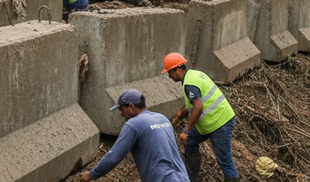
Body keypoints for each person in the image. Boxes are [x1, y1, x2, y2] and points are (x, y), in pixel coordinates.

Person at [79, 89, 189, 182]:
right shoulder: (162, 118)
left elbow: (114, 156)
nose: (121, 115)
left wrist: (92, 174)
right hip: (183, 177)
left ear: (131, 106)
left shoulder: (133, 124)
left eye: (121, 110)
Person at [163, 53, 239, 182]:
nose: (169, 76)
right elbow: (196, 102)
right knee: (191, 141)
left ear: (177, 69)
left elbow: (198, 107)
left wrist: (186, 130)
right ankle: (190, 178)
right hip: (211, 122)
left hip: (220, 122)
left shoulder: (189, 83)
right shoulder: (193, 75)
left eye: (169, 73)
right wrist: (181, 114)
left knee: (225, 161)